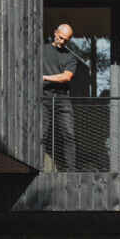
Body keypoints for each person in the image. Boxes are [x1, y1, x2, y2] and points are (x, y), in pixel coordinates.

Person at [41, 22, 89, 170]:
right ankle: (38, 168)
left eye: (66, 40)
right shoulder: (41, 51)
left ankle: (71, 170)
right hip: (44, 96)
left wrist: (44, 78)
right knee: (41, 135)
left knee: (68, 134)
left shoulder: (70, 57)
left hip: (62, 98)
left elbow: (66, 77)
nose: (62, 42)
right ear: (55, 33)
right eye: (61, 37)